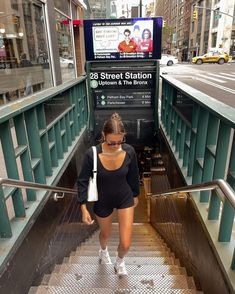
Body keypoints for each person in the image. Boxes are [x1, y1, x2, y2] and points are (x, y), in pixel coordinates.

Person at [77, 113, 140, 276]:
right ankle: (103, 251)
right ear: (104, 136)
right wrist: (83, 207)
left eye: (120, 141)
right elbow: (83, 180)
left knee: (125, 243)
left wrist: (135, 195)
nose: (116, 145)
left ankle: (120, 262)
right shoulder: (92, 154)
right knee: (105, 234)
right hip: (103, 200)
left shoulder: (129, 151)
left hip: (124, 197)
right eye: (112, 142)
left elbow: (133, 175)